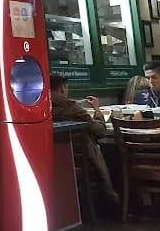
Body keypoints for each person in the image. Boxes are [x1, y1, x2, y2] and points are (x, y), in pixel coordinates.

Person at [50, 74, 118, 203]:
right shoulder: (72, 108)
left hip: (59, 159)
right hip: (84, 159)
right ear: (63, 89)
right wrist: (97, 109)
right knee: (112, 152)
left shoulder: (43, 108)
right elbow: (101, 131)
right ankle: (110, 199)